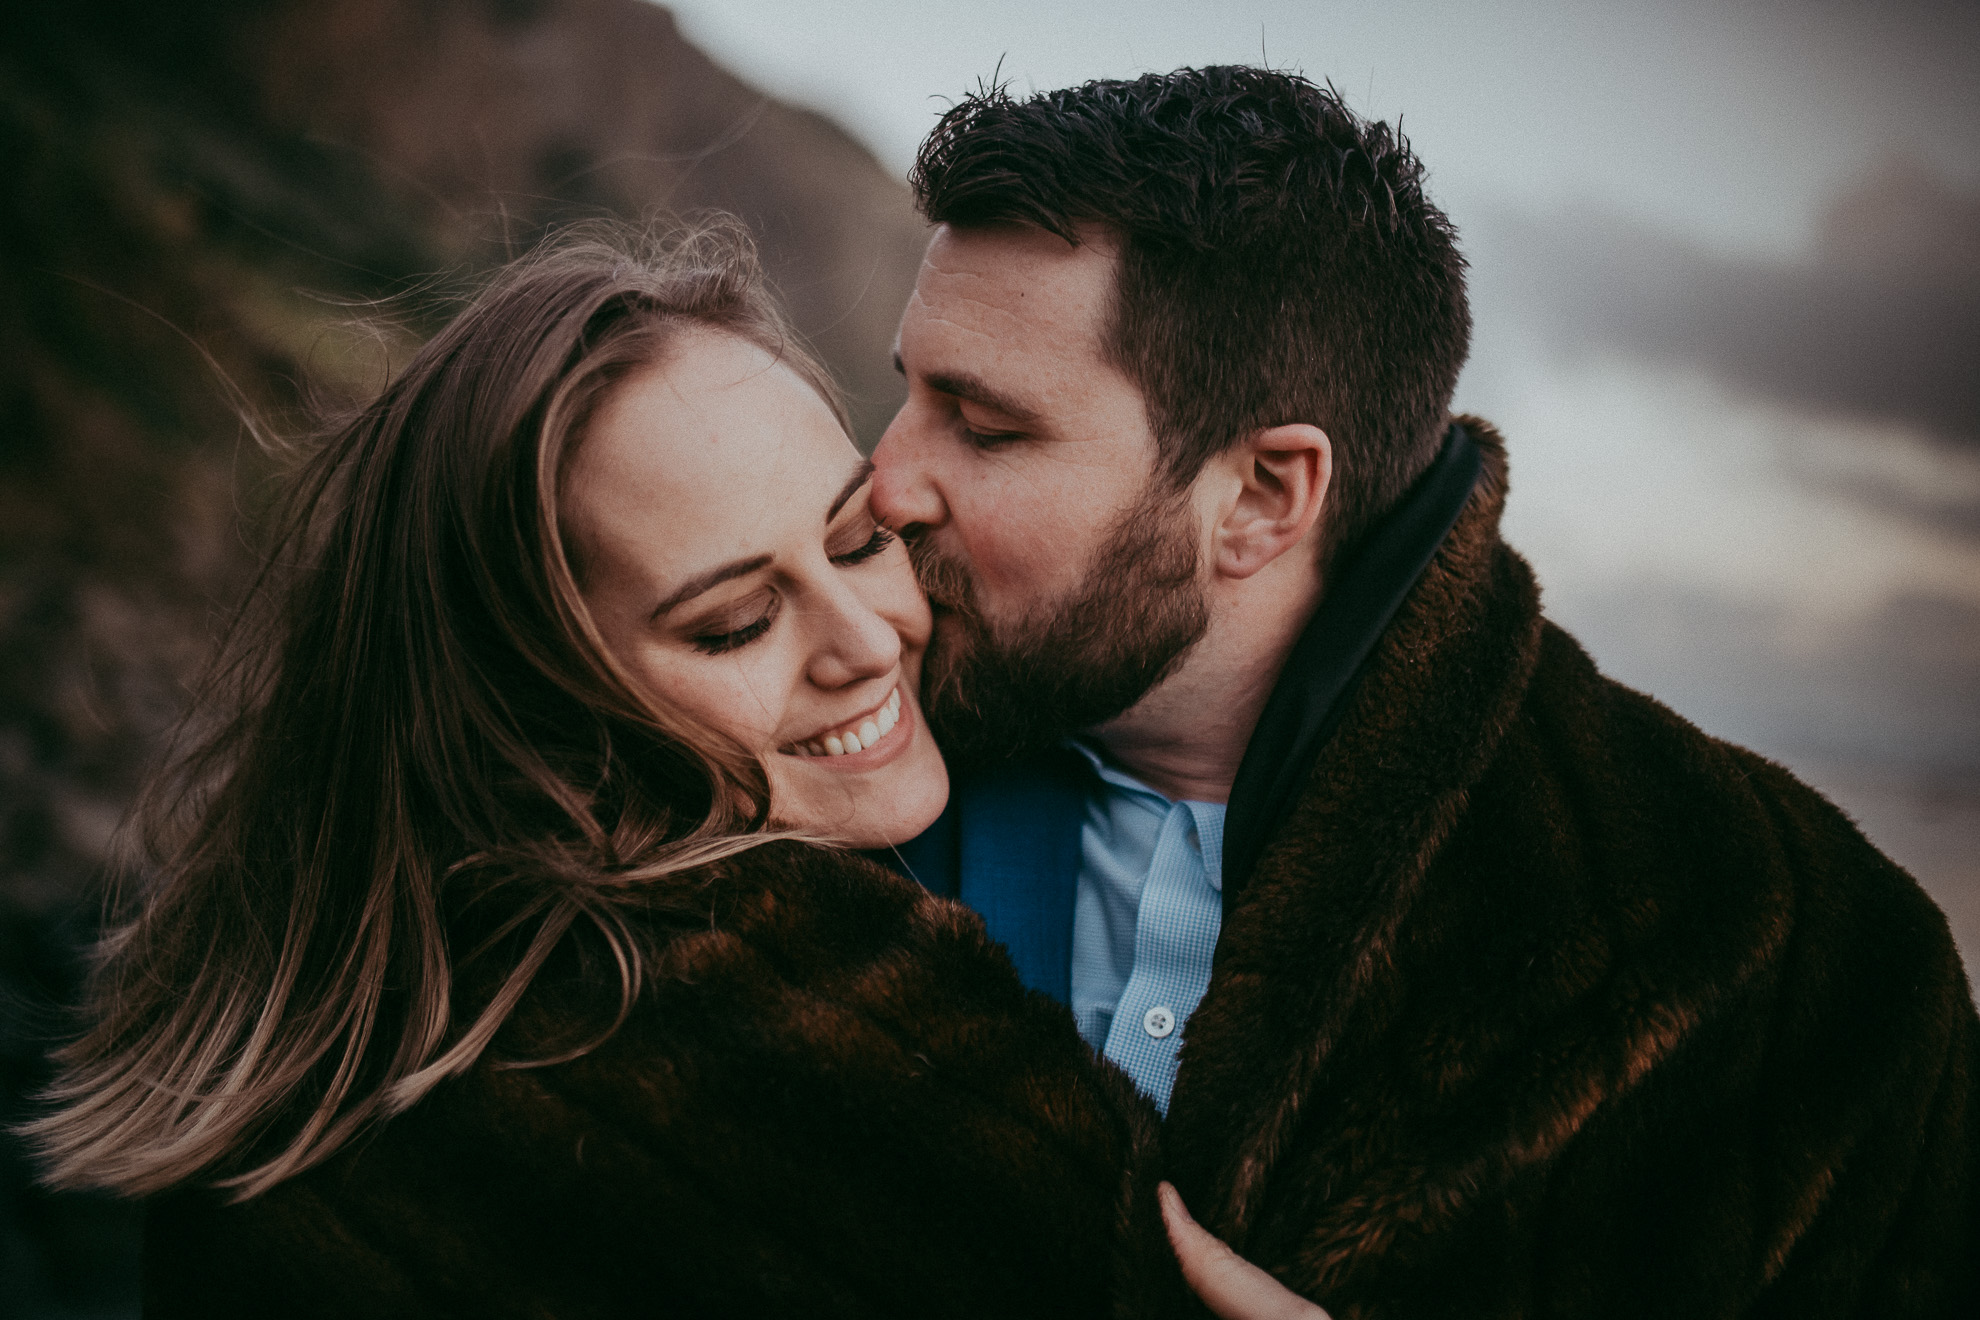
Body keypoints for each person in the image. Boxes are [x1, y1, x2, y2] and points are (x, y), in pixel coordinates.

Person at [875, 67, 1979, 1316]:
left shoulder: (1792, 966)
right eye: (906, 390)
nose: (883, 484)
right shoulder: (795, 782)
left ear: (1263, 497)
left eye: (985, 427)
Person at [19, 223, 1210, 1317]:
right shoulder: (638, 1106)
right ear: (532, 700)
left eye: (861, 540)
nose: (865, 641)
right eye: (736, 622)